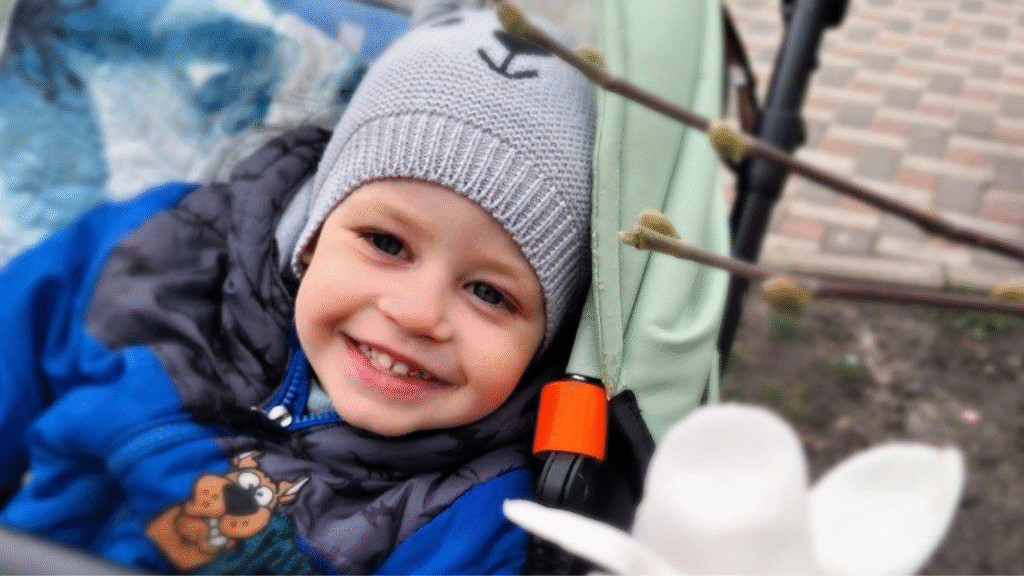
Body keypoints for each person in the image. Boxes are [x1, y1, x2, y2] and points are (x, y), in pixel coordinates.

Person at [0, 1, 595, 573]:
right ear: (313, 233)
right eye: (387, 244)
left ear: (545, 341)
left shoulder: (472, 521)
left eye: (489, 293)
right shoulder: (158, 258)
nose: (416, 313)